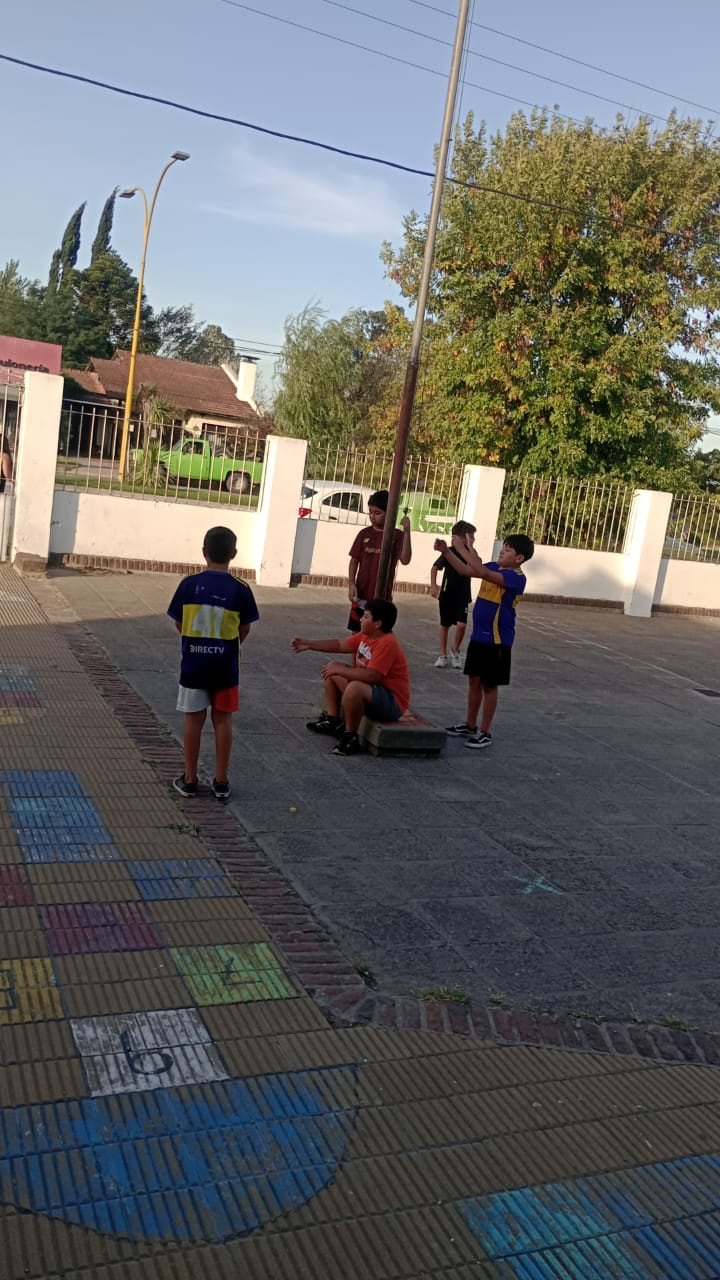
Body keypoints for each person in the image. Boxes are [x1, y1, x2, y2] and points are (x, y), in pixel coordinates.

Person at [168, 525, 259, 799]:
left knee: (193, 721)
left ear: (204, 552)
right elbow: (245, 628)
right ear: (234, 554)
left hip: (193, 665)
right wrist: (227, 647)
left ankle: (190, 779)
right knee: (223, 721)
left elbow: (178, 621)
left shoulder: (188, 585)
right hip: (226, 669)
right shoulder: (241, 589)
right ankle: (220, 781)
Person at [434, 533, 534, 750]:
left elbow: (479, 570)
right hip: (479, 637)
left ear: (519, 558)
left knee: (489, 686)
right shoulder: (495, 567)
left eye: (507, 550)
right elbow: (466, 569)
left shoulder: (516, 578)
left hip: (497, 641)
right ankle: (470, 724)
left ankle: (485, 731)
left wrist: (461, 548)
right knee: (474, 681)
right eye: (503, 548)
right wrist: (447, 552)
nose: (502, 551)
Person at [292, 597, 411, 756]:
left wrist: (341, 670)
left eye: (366, 617)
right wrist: (309, 644)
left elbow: (372, 675)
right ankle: (333, 721)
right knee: (331, 671)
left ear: (378, 624)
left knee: (353, 686)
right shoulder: (366, 636)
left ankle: (350, 737)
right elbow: (340, 644)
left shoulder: (387, 643)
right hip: (373, 691)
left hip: (391, 702)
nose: (361, 620)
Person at [347, 490, 412, 632]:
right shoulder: (364, 534)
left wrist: (407, 532)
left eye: (377, 513)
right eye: (370, 512)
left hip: (382, 597)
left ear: (389, 513)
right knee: (356, 634)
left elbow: (405, 559)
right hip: (361, 595)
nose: (372, 516)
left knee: (376, 635)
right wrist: (351, 582)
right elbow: (354, 560)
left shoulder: (397, 536)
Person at [430, 520, 476, 669]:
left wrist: (470, 547)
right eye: (471, 537)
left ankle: (455, 650)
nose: (473, 540)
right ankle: (442, 655)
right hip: (447, 594)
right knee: (445, 624)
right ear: (462, 537)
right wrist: (434, 585)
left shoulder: (470, 554)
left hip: (463, 596)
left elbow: (477, 564)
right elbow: (435, 568)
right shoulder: (448, 551)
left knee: (462, 625)